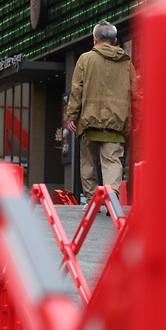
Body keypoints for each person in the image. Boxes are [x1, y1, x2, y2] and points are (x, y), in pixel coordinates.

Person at [64, 21, 138, 204]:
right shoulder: (126, 63)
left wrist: (71, 116)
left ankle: (92, 200)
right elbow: (134, 93)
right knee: (112, 161)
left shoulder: (85, 59)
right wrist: (136, 118)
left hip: (89, 120)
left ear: (94, 39)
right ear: (115, 40)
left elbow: (77, 90)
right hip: (117, 123)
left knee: (88, 162)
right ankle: (112, 195)